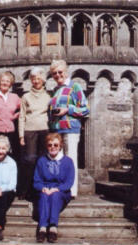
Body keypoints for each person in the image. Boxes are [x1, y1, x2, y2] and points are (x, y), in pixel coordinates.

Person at [49, 59, 89, 197]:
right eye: (54, 73)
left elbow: (85, 110)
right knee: (58, 161)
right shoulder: (55, 90)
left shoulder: (74, 87)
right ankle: (61, 188)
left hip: (71, 129)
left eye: (60, 72)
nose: (57, 75)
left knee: (70, 159)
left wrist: (68, 110)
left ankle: (71, 191)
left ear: (66, 72)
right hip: (57, 130)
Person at [33, 133, 74, 243]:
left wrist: (58, 189)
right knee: (44, 195)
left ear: (60, 146)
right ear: (47, 146)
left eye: (55, 145)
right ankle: (42, 228)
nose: (53, 147)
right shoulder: (42, 161)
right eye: (50, 145)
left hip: (61, 191)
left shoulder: (68, 161)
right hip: (46, 188)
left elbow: (69, 182)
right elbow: (36, 181)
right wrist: (42, 188)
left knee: (55, 195)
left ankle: (53, 227)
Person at [18, 67, 51, 200]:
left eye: (38, 78)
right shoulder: (26, 96)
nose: (36, 81)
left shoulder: (48, 96)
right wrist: (21, 135)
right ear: (30, 80)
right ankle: (26, 190)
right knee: (29, 160)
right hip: (29, 131)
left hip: (44, 130)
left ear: (43, 80)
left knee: (42, 160)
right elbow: (21, 116)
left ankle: (39, 190)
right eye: (33, 78)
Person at [0, 71, 21, 158]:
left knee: (9, 155)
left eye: (7, 81)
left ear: (11, 84)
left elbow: (24, 108)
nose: (5, 83)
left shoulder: (14, 97)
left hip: (10, 131)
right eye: (3, 80)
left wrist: (16, 115)